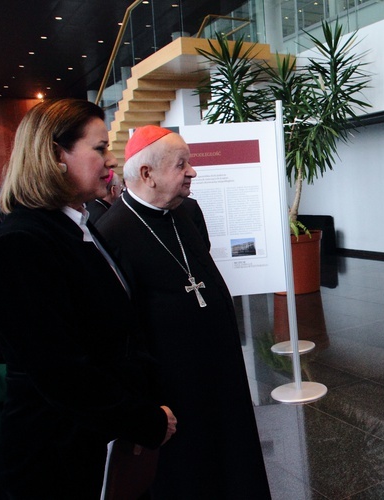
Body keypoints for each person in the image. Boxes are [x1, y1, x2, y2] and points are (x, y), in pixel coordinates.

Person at [0, 99, 177, 499]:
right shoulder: (22, 242)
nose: (111, 160)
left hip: (98, 444)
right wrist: (143, 420)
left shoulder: (79, 224)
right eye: (98, 149)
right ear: (55, 154)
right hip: (55, 460)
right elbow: (58, 370)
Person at [95, 125, 271, 499]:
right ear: (147, 174)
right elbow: (119, 333)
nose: (192, 171)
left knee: (235, 465)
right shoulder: (111, 232)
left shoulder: (188, 211)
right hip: (172, 390)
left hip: (222, 375)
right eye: (181, 164)